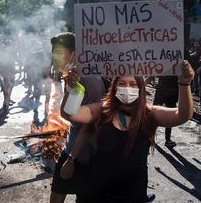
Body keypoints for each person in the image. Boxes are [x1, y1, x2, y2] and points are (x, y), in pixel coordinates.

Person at [59, 60, 194, 203]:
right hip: (95, 194)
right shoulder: (102, 110)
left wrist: (184, 84)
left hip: (132, 196)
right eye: (122, 84)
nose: (127, 88)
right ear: (114, 87)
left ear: (140, 89)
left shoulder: (149, 113)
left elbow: (182, 115)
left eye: (133, 85)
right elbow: (69, 114)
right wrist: (71, 89)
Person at [50, 32, 106, 203]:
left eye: (59, 52)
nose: (54, 57)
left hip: (81, 154)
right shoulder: (78, 75)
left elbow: (83, 120)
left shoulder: (87, 80)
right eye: (53, 52)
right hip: (79, 150)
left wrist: (72, 159)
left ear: (74, 54)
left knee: (59, 195)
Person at [153, 76, 178, 147]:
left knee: (154, 114)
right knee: (154, 114)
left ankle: (152, 137)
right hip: (170, 90)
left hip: (166, 90)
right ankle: (167, 139)